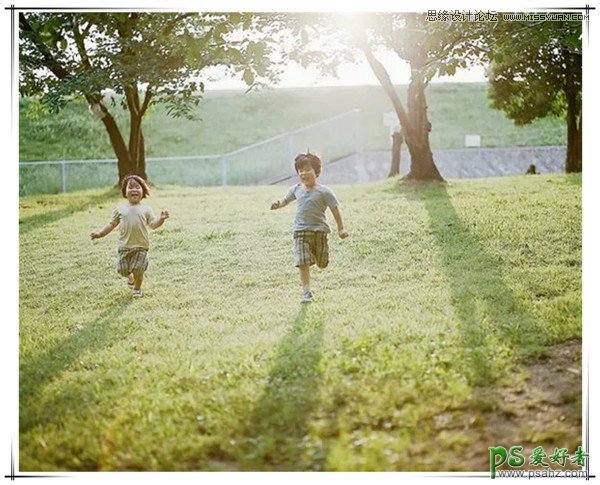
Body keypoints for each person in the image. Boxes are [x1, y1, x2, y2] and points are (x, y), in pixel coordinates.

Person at [271, 152, 348, 303]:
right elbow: (285, 200)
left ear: (317, 171)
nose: (304, 173)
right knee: (302, 261)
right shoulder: (296, 189)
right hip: (300, 231)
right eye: (300, 170)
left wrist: (341, 229)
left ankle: (315, 257)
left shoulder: (325, 191)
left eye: (307, 169)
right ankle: (306, 292)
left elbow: (335, 210)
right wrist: (277, 204)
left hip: (319, 231)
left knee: (322, 264)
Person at [90, 175, 169, 298]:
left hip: (141, 246)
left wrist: (161, 219)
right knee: (122, 270)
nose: (134, 190)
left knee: (138, 269)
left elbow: (153, 225)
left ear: (143, 191)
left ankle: (137, 288)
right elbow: (111, 224)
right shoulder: (120, 209)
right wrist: (100, 233)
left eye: (137, 187)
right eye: (130, 187)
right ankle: (130, 278)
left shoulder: (146, 209)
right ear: (125, 192)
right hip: (124, 246)